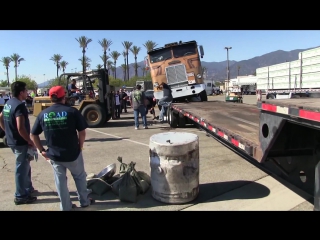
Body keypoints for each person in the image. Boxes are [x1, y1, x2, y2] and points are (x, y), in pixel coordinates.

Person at [30, 85, 93, 211]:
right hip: (73, 153)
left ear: (50, 98)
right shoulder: (72, 111)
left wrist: (42, 150)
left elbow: (33, 134)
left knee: (60, 182)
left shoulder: (43, 114)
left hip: (55, 155)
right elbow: (82, 132)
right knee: (80, 177)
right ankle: (84, 201)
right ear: (63, 97)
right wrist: (80, 146)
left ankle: (65, 206)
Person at [0, 81, 37, 205]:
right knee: (21, 168)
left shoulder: (8, 103)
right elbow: (21, 128)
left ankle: (27, 188)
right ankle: (20, 196)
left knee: (25, 166)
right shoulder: (20, 106)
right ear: (21, 92)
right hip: (20, 143)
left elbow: (0, 117)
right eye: (26, 91)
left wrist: (7, 131)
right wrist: (29, 140)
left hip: (12, 141)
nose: (27, 93)